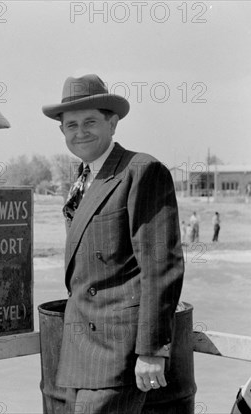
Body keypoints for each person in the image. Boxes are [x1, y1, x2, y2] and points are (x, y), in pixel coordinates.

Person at [42, 74, 184, 413]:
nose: (80, 132)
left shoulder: (141, 170)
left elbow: (160, 266)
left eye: (90, 121)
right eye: (71, 125)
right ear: (62, 131)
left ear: (113, 123)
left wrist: (151, 350)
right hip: (79, 353)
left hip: (118, 353)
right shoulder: (83, 180)